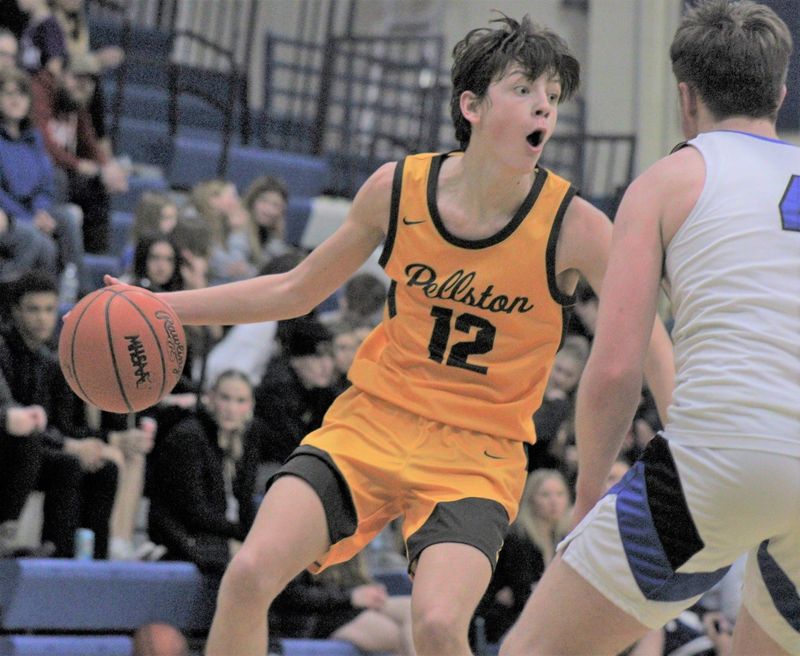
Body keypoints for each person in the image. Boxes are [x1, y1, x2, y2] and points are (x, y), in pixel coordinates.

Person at [107, 13, 673, 655]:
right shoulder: (399, 187)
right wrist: (159, 305)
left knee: (434, 625)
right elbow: (294, 289)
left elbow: (646, 336)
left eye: (551, 96)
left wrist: (687, 426)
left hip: (476, 453)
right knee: (247, 576)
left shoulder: (575, 224)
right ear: (473, 105)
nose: (543, 106)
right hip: (371, 422)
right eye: (524, 89)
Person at [499, 2, 799, 655]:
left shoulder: (670, 181)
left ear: (685, 98)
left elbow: (614, 368)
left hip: (724, 458)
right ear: (779, 91)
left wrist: (588, 501)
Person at [0, 270, 118, 558]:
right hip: (9, 447)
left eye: (50, 309)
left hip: (34, 447)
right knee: (65, 462)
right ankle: (15, 533)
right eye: (33, 309)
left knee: (103, 468)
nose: (43, 318)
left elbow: (55, 423)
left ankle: (86, 560)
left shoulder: (48, 360)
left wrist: (93, 443)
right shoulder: (3, 350)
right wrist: (70, 445)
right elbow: (19, 422)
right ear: (15, 311)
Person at [147, 369, 262, 574]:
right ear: (210, 397)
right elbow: (194, 512)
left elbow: (245, 501)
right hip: (186, 538)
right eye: (225, 398)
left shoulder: (248, 439)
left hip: (222, 536)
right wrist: (244, 534)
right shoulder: (189, 436)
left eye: (240, 400)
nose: (231, 408)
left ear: (250, 405)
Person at [30, 53, 128, 253]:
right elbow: (44, 143)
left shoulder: (77, 105)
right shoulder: (41, 93)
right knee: (61, 178)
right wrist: (79, 165)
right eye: (77, 78)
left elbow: (89, 142)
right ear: (62, 74)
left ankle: (97, 256)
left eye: (89, 83)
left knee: (97, 186)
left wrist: (108, 168)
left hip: (62, 171)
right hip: (36, 170)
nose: (82, 86)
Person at [0, 65, 84, 297]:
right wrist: (28, 218)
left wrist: (39, 212)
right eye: (8, 93)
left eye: (21, 94)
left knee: (66, 217)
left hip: (33, 212)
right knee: (43, 244)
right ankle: (45, 300)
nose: (16, 100)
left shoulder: (34, 138)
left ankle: (80, 290)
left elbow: (46, 184)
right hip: (8, 216)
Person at [473, 469, 572, 647]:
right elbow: (523, 593)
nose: (554, 502)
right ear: (531, 500)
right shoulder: (518, 538)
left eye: (560, 494)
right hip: (506, 624)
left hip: (539, 622)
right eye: (545, 495)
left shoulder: (562, 539)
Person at [271, 552, 416, 656]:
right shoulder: (299, 537)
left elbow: (350, 578)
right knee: (396, 635)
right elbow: (291, 596)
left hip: (344, 603)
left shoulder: (347, 524)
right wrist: (350, 596)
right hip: (314, 615)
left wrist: (369, 589)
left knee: (413, 609)